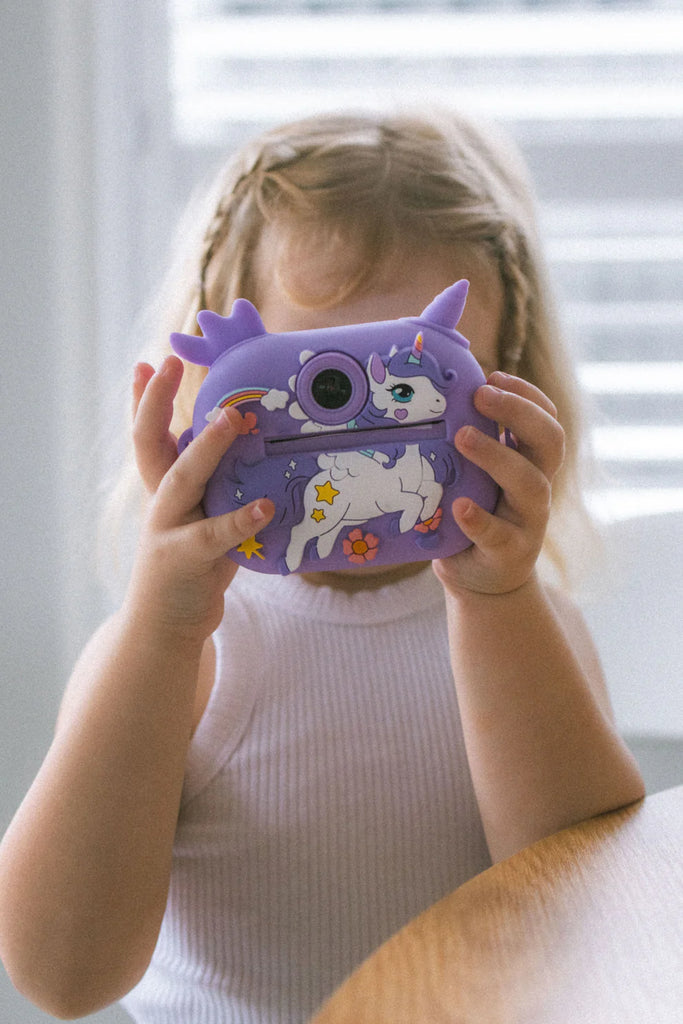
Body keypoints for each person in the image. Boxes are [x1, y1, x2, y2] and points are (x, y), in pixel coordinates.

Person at [0, 109, 644, 1023]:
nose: (362, 432)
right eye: (314, 384)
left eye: (415, 376)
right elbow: (63, 977)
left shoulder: (528, 623)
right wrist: (163, 630)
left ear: (505, 383)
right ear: (215, 391)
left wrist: (497, 605)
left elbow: (585, 924)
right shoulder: (178, 651)